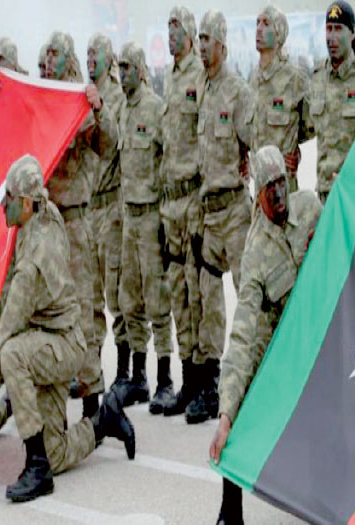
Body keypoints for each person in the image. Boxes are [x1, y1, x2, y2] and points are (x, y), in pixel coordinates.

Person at [0, 155, 135, 503]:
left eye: (9, 198)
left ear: (26, 203)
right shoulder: (45, 212)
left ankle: (37, 468)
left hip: (61, 347)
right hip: (50, 342)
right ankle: (104, 421)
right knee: (56, 452)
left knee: (12, 355)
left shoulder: (34, 263)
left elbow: (6, 334)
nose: (3, 205)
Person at [209, 145, 322, 524]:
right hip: (278, 339)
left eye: (281, 183)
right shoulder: (254, 252)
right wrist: (226, 414)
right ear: (257, 195)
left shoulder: (311, 208)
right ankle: (230, 509)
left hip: (318, 329)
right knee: (240, 404)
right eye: (268, 187)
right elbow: (242, 333)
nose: (278, 193)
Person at [44, 31, 118, 418]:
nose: (47, 61)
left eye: (54, 54)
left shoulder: (79, 103)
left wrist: (98, 108)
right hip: (46, 225)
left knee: (83, 313)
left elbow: (107, 145)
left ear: (68, 58)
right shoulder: (44, 101)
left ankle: (93, 405)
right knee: (48, 312)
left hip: (74, 223)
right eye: (45, 54)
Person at [191, 9, 254, 425]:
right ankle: (211, 385)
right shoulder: (202, 88)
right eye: (199, 39)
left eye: (206, 40)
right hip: (208, 213)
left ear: (222, 45)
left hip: (234, 211)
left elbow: (255, 140)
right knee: (209, 300)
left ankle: (254, 379)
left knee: (248, 296)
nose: (201, 47)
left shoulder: (237, 92)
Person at [115, 42, 173, 409]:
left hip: (151, 215)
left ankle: (165, 379)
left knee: (158, 299)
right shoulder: (122, 110)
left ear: (139, 70)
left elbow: (168, 158)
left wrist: (166, 216)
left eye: (126, 67)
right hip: (129, 217)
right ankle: (139, 377)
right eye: (118, 68)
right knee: (130, 299)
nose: (121, 74)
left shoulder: (156, 108)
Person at [159, 6, 205, 417]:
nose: (171, 34)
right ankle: (187, 377)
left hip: (193, 199)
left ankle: (205, 381)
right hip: (170, 203)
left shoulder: (200, 76)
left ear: (190, 33)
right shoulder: (170, 79)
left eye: (177, 28)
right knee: (177, 291)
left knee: (197, 290)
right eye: (168, 27)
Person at [82, 33, 130, 401]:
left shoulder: (115, 96)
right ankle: (93, 369)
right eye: (86, 53)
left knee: (117, 293)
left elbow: (113, 144)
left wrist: (100, 108)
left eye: (95, 53)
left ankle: (126, 371)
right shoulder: (82, 96)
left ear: (108, 57)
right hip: (90, 207)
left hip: (112, 206)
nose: (89, 59)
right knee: (91, 296)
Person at [304, 1, 355, 204]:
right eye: (328, 29)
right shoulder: (317, 77)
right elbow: (304, 126)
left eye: (338, 29)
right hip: (324, 194)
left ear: (352, 35)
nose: (332, 37)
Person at [250, 5, 309, 193]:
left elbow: (312, 123)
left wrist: (294, 147)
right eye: (257, 23)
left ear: (279, 35)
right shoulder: (252, 79)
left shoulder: (295, 79)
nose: (259, 29)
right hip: (259, 188)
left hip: (284, 188)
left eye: (266, 24)